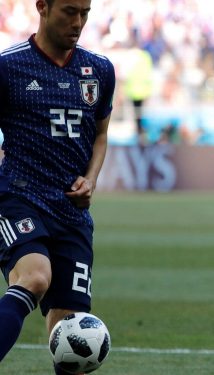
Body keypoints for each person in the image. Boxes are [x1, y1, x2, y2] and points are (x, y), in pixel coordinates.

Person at [0, 1, 115, 374]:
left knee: (71, 333)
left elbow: (100, 135)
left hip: (72, 214)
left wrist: (92, 179)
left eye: (85, 12)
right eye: (69, 11)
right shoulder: (8, 66)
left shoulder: (98, 70)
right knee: (34, 276)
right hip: (19, 197)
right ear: (43, 7)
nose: (78, 22)